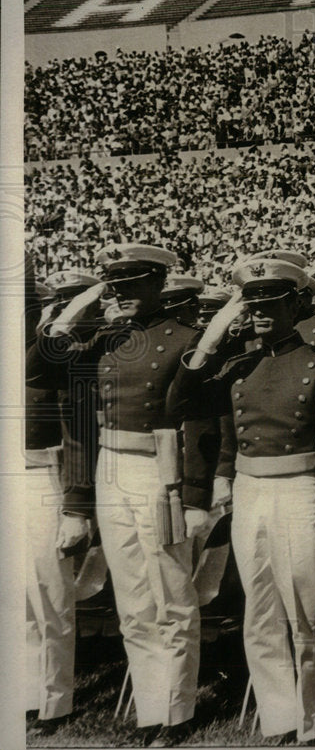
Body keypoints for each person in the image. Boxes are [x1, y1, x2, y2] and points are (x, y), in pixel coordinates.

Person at [170, 257, 315, 744]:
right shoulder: (239, 365)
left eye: (269, 301)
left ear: (296, 304)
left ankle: (312, 718)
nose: (257, 310)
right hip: (250, 494)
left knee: (307, 610)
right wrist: (213, 336)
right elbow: (180, 402)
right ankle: (278, 717)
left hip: (299, 493)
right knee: (258, 611)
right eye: (250, 301)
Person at [26, 244, 210, 747]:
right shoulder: (103, 339)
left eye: (132, 285)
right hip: (111, 466)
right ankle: (152, 709)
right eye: (115, 286)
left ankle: (178, 711)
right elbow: (39, 370)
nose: (123, 295)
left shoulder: (184, 340)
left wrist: (195, 496)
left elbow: (201, 424)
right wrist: (77, 308)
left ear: (158, 284)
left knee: (170, 593)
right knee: (131, 598)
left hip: (159, 470)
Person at [23, 267, 101, 737]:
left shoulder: (53, 358)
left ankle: (54, 701)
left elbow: (79, 436)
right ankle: (23, 690)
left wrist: (75, 505)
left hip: (39, 480)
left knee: (48, 595)